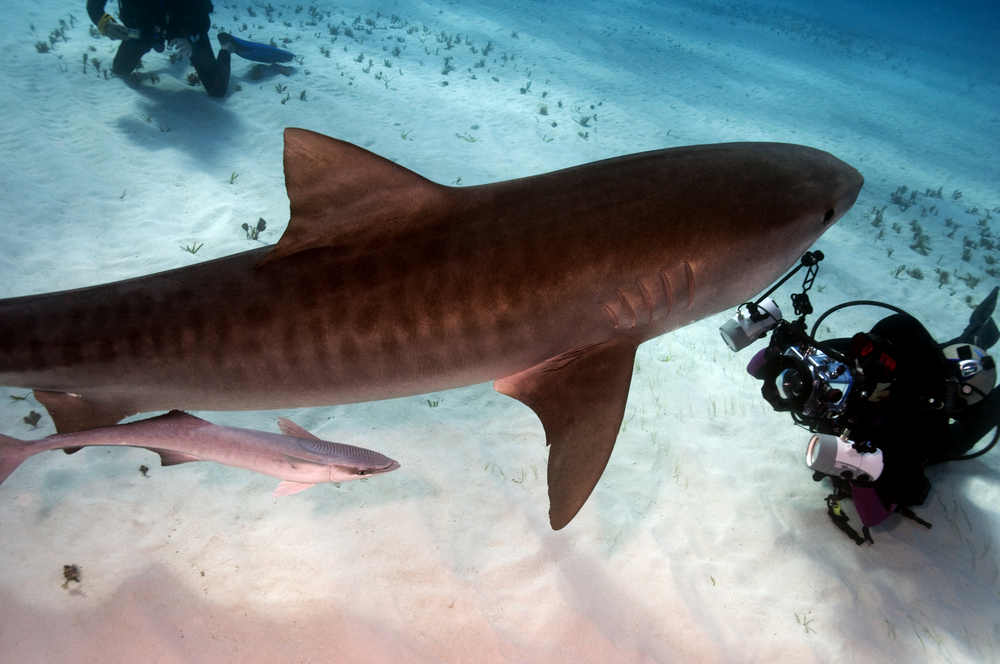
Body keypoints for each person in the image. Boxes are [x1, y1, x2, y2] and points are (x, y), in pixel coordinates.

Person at [87, 0, 232, 98]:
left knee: (217, 89)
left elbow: (203, 10)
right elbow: (94, 6)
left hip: (183, 30)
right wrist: (104, 24)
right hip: (144, 32)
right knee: (120, 69)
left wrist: (192, 39)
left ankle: (227, 46)